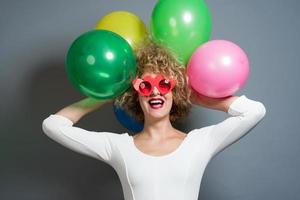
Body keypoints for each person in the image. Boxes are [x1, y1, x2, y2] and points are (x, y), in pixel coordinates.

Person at [42, 39, 266, 200]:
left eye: (164, 84)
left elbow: (254, 111)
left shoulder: (199, 143)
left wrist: (197, 97)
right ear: (135, 93)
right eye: (145, 86)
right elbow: (53, 126)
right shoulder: (118, 147)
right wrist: (106, 95)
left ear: (174, 91)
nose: (155, 92)